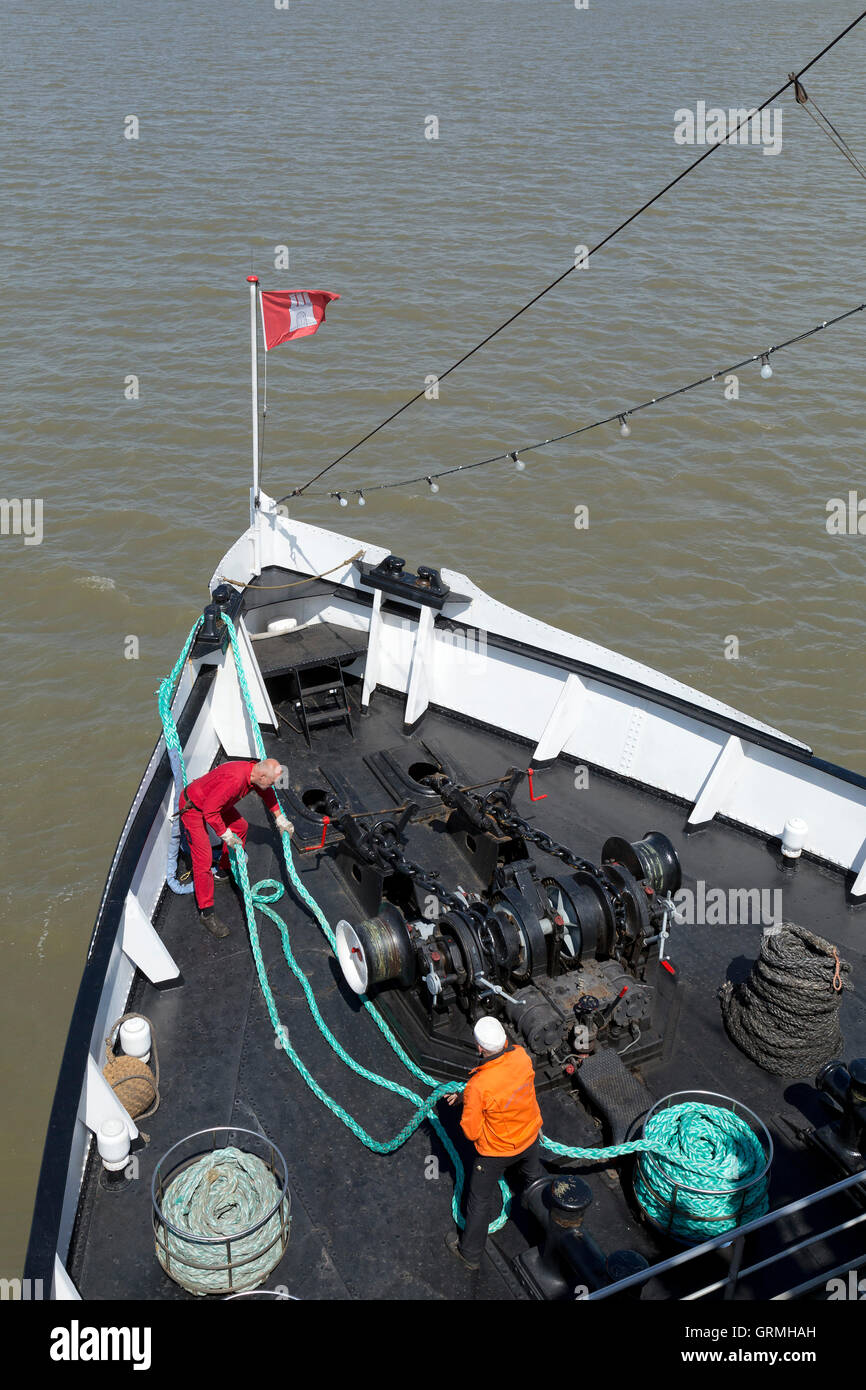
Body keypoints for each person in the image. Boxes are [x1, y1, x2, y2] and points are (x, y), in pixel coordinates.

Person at [444, 1016, 546, 1271]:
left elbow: (470, 1131)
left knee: (479, 1200)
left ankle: (470, 1254)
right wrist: (467, 1096)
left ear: (480, 1048)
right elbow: (507, 1086)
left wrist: (469, 1100)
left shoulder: (478, 1086)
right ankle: (550, 1232)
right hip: (531, 1138)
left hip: (496, 1154)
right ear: (505, 1041)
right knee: (535, 1181)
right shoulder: (522, 1056)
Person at [179, 758, 292, 938]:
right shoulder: (235, 781)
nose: (270, 786)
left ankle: (223, 869)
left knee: (241, 827)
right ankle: (206, 913)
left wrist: (280, 818)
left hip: (216, 802)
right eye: (270, 782)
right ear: (262, 776)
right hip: (195, 808)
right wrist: (226, 835)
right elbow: (210, 812)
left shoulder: (253, 772)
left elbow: (267, 792)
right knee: (203, 861)